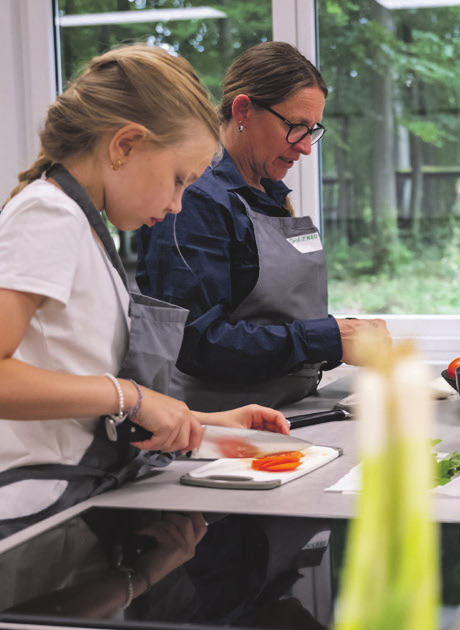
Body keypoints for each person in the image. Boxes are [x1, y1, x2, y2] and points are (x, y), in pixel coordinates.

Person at [0, 44, 290, 537]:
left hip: (74, 501)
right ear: (125, 146)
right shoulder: (49, 215)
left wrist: (202, 420)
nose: (179, 205)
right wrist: (130, 396)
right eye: (178, 180)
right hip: (33, 514)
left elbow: (71, 379)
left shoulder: (84, 226)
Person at [136, 42, 388, 412]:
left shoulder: (267, 194)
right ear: (243, 111)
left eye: (312, 130)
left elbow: (274, 318)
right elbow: (197, 342)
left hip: (285, 408)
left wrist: (341, 337)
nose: (305, 148)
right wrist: (325, 337)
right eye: (296, 127)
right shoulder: (194, 199)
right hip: (212, 421)